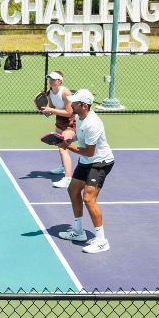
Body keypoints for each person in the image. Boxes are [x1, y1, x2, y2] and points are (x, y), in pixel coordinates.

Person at [56, 89, 114, 254]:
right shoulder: (79, 117)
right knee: (73, 190)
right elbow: (79, 136)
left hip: (100, 163)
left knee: (88, 199)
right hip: (86, 161)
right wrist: (68, 139)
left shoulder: (92, 124)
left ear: (84, 105)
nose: (71, 105)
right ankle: (79, 231)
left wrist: (67, 147)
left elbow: (89, 151)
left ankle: (102, 241)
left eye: (75, 103)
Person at [39, 71, 75, 188]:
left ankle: (68, 179)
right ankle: (63, 167)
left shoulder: (65, 92)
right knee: (60, 147)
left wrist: (52, 111)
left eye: (53, 79)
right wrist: (45, 111)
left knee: (63, 149)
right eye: (50, 78)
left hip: (70, 122)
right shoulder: (50, 92)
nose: (50, 81)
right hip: (59, 121)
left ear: (60, 81)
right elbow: (51, 109)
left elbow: (69, 112)